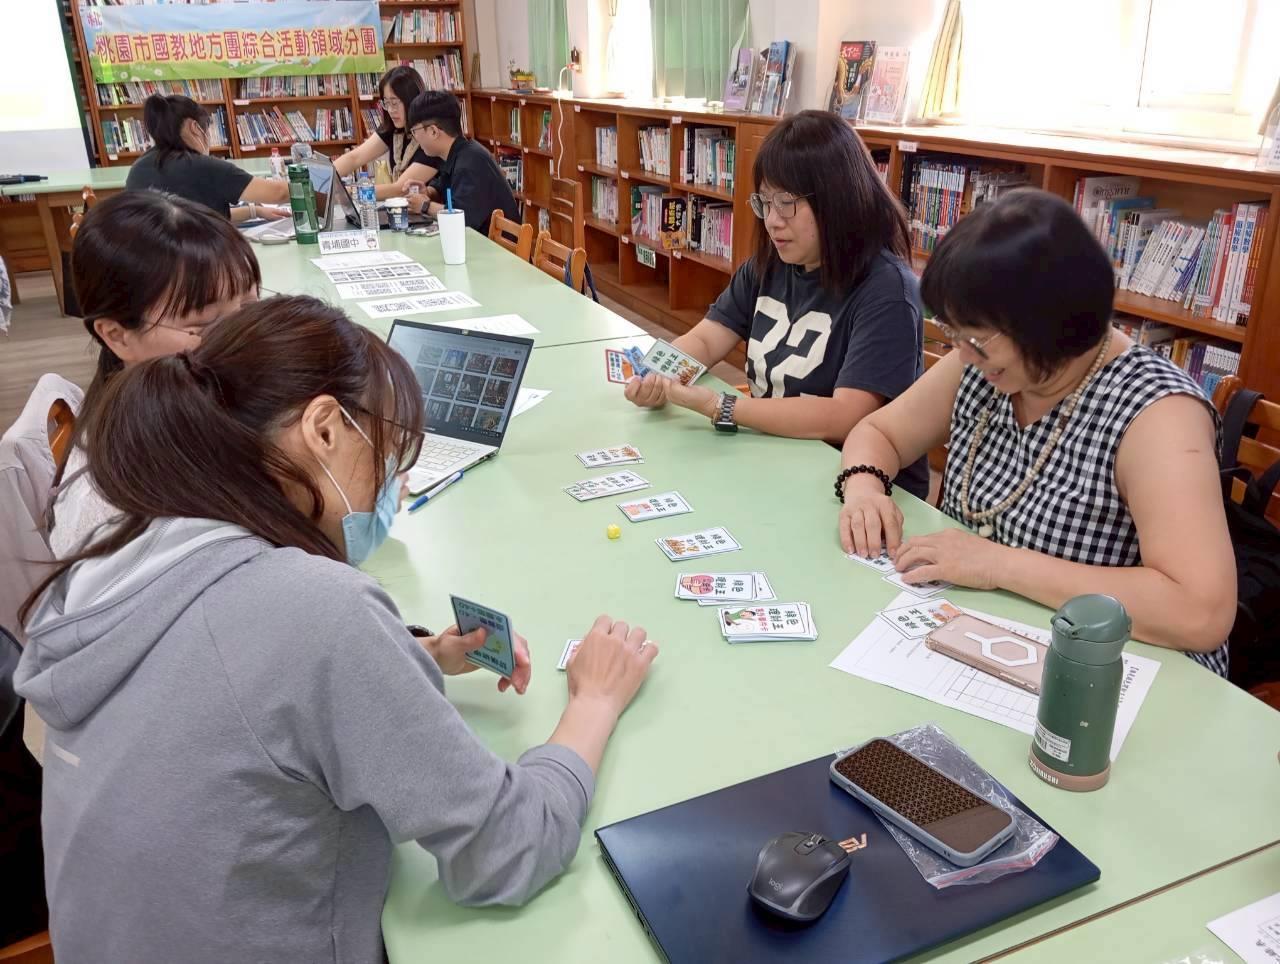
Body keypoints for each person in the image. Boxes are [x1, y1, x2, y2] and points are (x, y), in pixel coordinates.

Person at [16, 295, 659, 963]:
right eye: (387, 454)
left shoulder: (129, 533)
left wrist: (413, 653)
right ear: (324, 429)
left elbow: (221, 678)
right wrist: (594, 702)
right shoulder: (319, 612)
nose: (392, 487)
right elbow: (508, 848)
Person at [836, 189, 1234, 674]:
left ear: (1050, 325)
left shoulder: (1158, 415)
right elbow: (880, 432)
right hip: (982, 636)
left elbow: (1199, 612)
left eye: (976, 338)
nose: (963, 355)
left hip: (1112, 670)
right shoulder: (986, 365)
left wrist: (998, 564)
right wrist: (864, 490)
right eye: (956, 334)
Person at [622, 111, 929, 500]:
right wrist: (657, 373)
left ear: (838, 201)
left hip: (853, 487)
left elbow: (845, 415)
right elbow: (706, 340)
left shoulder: (887, 291)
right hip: (773, 457)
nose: (772, 221)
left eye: (786, 203)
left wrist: (721, 406)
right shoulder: (769, 265)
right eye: (765, 202)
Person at [48, 190, 261, 557]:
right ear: (117, 335)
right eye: (204, 324)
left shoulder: (199, 405)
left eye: (249, 307)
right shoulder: (115, 511)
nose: (242, 338)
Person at [125, 94, 289, 221]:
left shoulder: (138, 168)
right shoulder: (203, 166)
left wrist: (255, 211)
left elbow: (196, 217)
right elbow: (278, 193)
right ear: (195, 127)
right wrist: (304, 183)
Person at [403, 90, 520, 232]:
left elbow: (463, 217)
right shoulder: (457, 152)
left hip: (491, 244)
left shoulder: (470, 162)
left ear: (433, 131)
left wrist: (425, 206)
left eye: (414, 131)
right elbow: (443, 186)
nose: (414, 137)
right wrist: (428, 192)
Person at [333, 65, 439, 200]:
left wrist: (348, 192)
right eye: (386, 103)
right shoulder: (394, 128)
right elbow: (355, 157)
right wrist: (325, 178)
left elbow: (400, 189)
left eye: (394, 103)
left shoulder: (429, 135)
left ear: (412, 100)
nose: (390, 110)